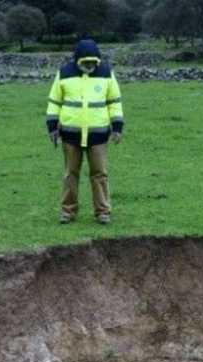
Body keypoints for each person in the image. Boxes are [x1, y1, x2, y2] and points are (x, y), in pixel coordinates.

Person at [45, 39, 124, 225]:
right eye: (86, 62)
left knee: (100, 174)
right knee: (70, 174)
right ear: (78, 60)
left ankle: (103, 212)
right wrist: (52, 127)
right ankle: (68, 211)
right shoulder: (64, 74)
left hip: (99, 136)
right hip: (70, 136)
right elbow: (54, 102)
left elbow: (114, 102)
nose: (90, 65)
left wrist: (118, 127)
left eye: (93, 62)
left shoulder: (106, 73)